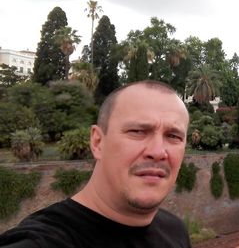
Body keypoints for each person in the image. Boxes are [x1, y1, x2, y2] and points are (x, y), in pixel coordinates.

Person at [0, 80, 192, 248]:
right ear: (97, 142)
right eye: (137, 131)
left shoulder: (175, 231)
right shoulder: (43, 241)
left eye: (173, 136)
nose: (158, 151)